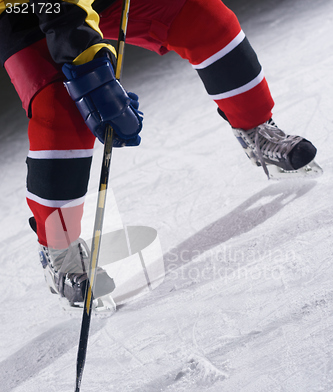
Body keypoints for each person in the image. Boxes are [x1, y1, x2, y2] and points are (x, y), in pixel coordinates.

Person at [0, 0, 319, 307]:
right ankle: (59, 250)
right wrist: (89, 71)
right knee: (62, 107)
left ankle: (257, 131)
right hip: (22, 9)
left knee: (202, 17)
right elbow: (62, 15)